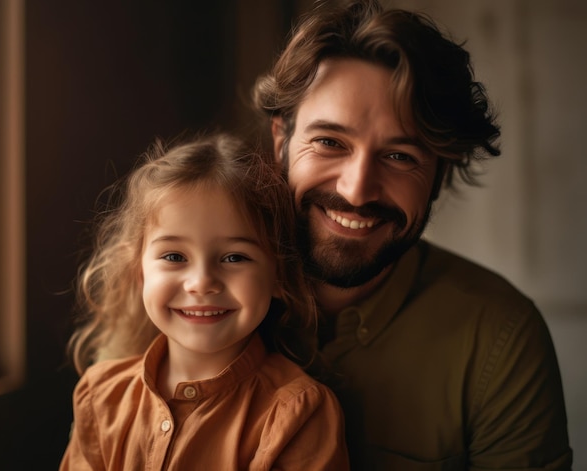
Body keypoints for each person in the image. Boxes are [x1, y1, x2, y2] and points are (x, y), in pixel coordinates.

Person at [252, 0, 572, 469]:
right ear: (282, 140)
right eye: (330, 143)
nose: (357, 190)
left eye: (400, 156)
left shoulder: (499, 336)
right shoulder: (192, 290)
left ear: (440, 174)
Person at [59, 133, 349, 470]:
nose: (201, 283)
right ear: (138, 271)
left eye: (234, 258)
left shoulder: (298, 414)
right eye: (173, 256)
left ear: (279, 276)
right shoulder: (99, 396)